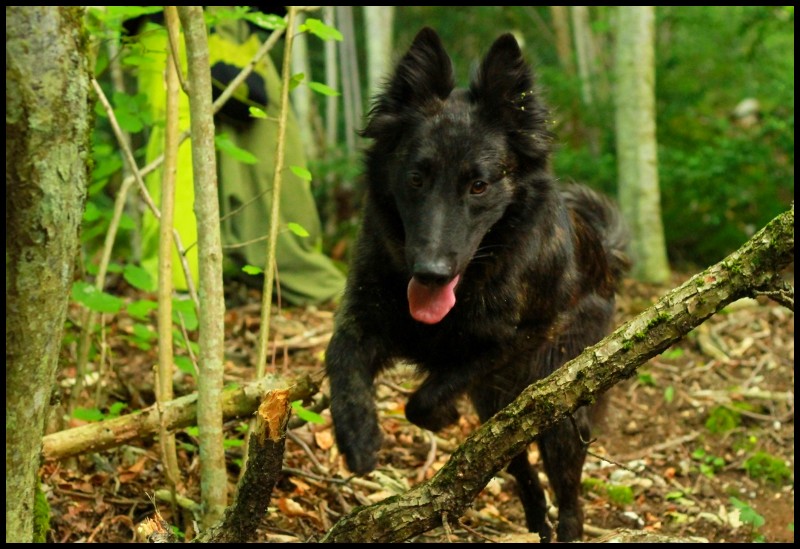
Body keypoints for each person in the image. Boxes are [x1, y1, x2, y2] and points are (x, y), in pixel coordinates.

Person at [137, 9, 345, 305]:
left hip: (238, 30)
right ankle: (178, 290)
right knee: (179, 159)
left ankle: (279, 270)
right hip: (171, 27)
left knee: (275, 157)